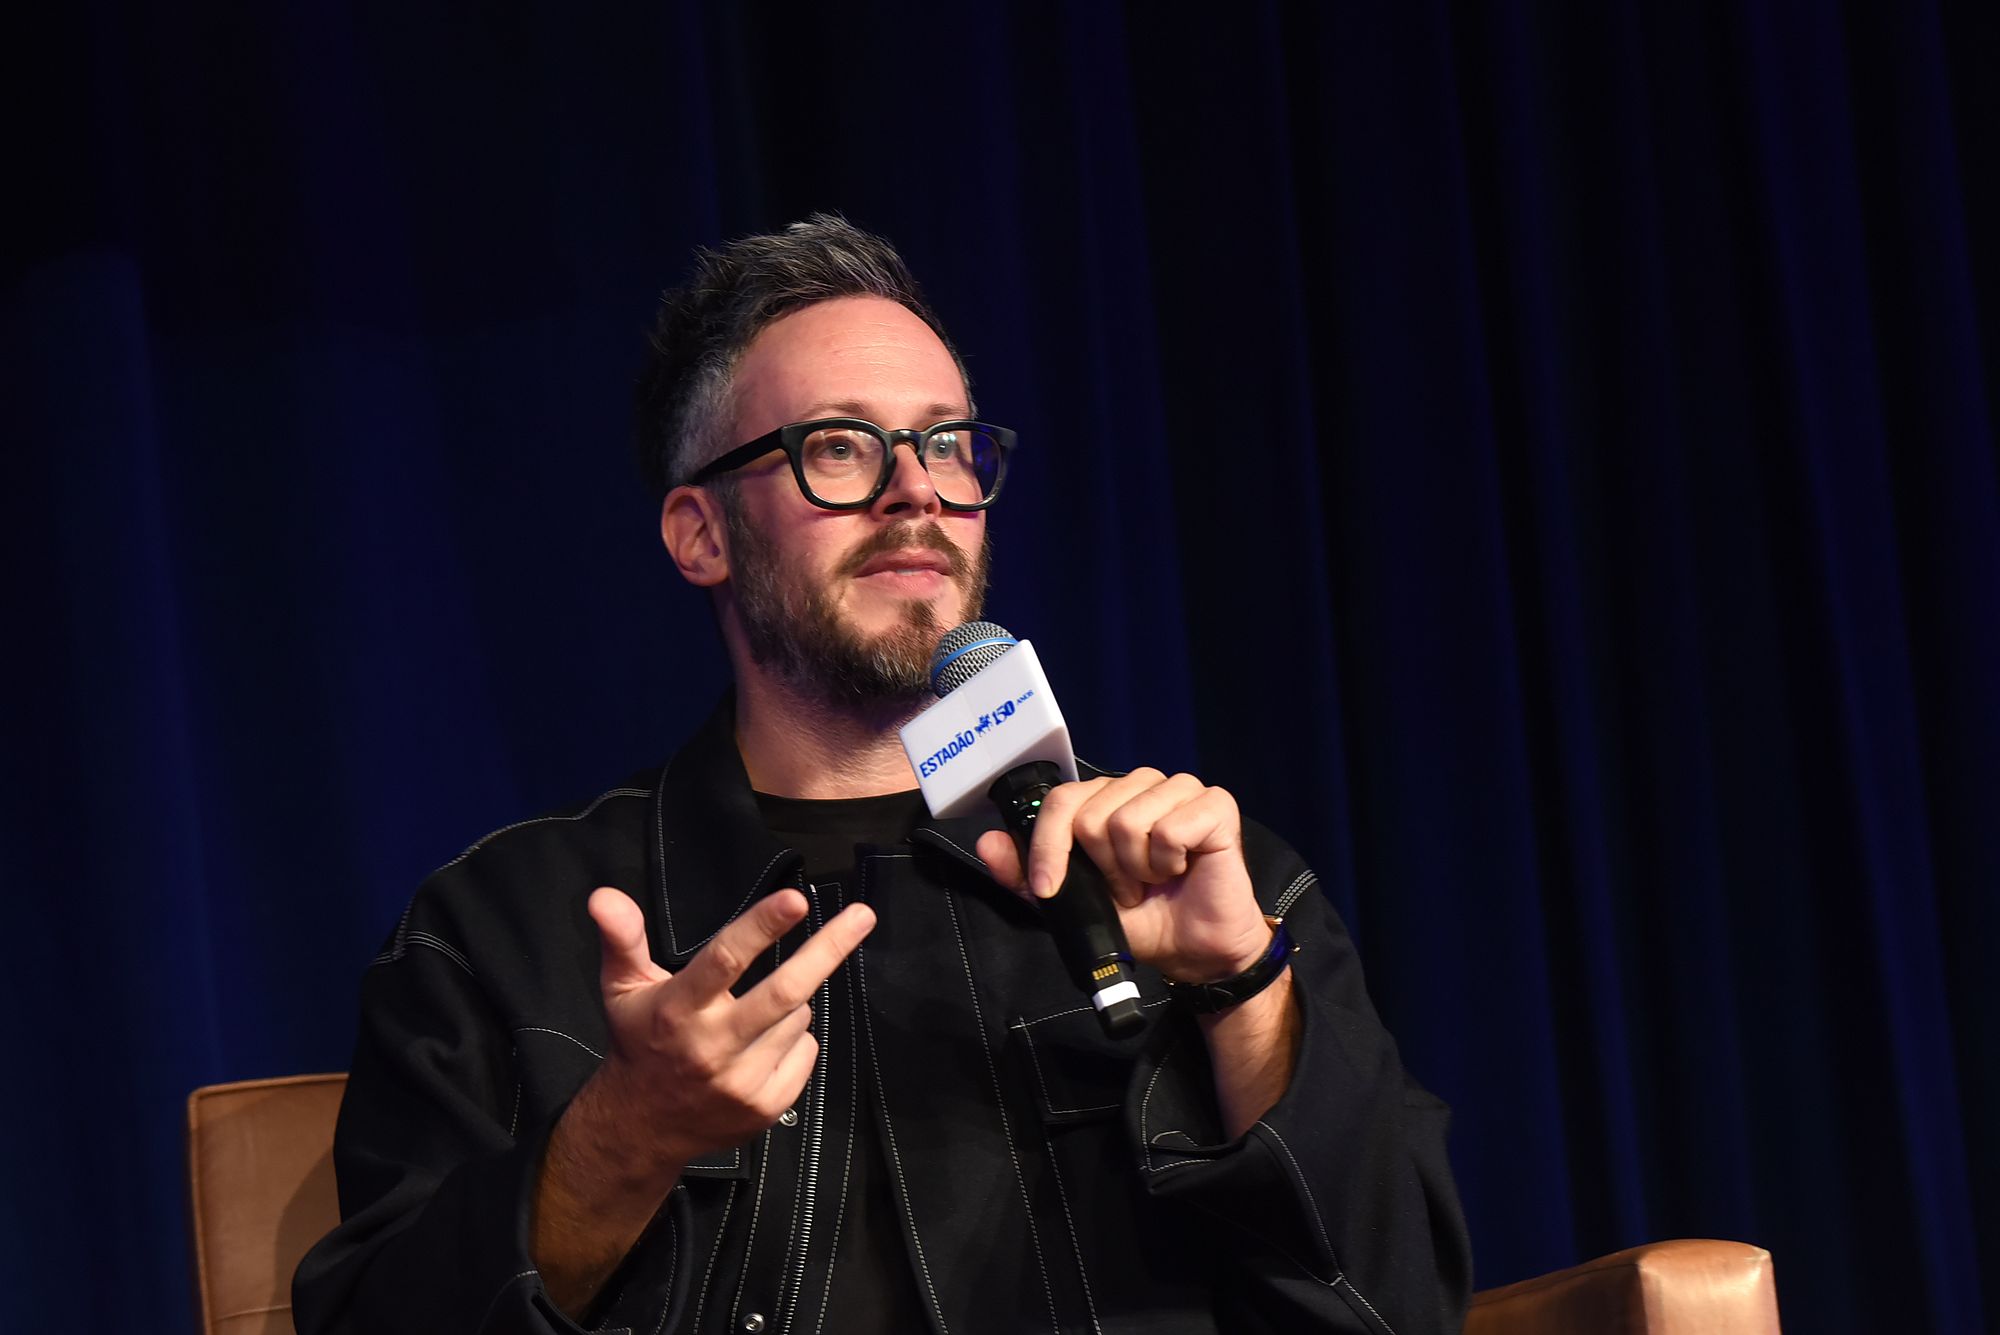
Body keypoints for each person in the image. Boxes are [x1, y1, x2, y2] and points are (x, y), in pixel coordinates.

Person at [294, 216, 1471, 1335]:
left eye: (946, 444)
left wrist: (1238, 990)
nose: (916, 491)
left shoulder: (1200, 880)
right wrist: (628, 1135)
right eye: (840, 448)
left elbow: (1399, 1309)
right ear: (700, 533)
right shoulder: (504, 932)